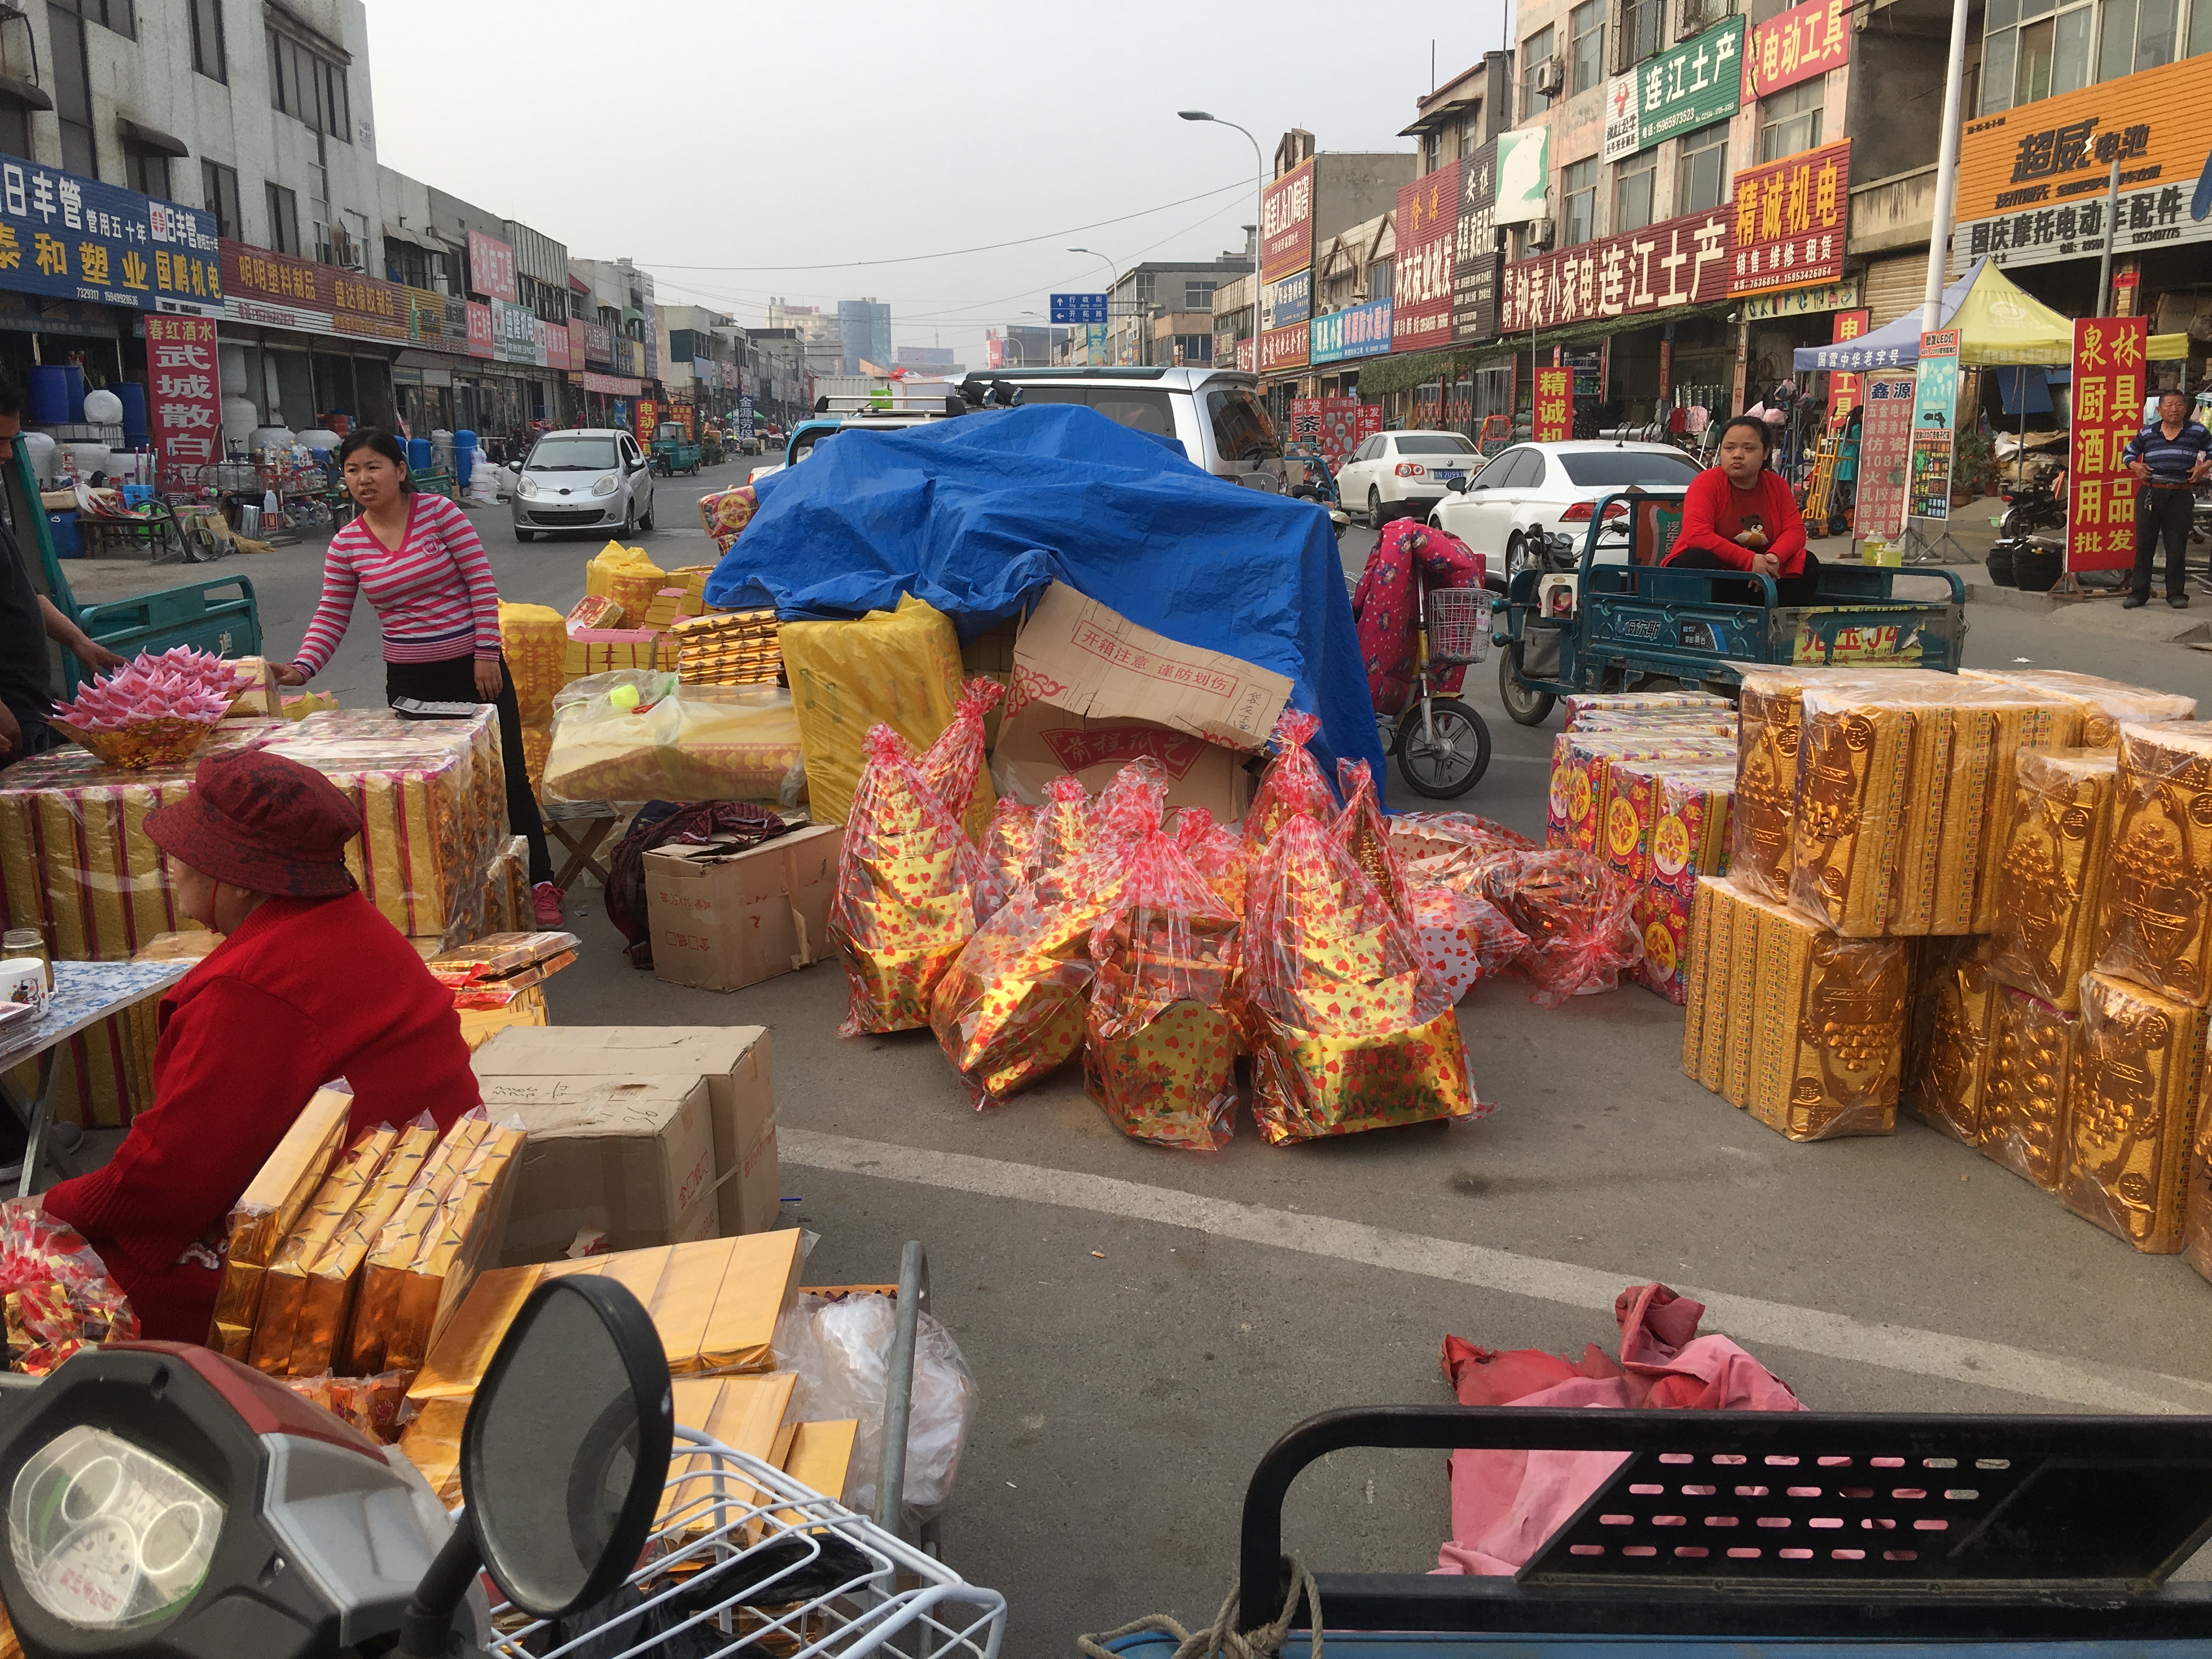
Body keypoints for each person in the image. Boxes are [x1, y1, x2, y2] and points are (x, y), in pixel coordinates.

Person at [39, 749, 482, 1341]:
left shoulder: (252, 989)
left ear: (238, 878)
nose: (173, 864)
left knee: (36, 1269)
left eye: (189, 852)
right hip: (422, 1215)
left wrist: (48, 1207)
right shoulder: (344, 921)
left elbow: (166, 1182)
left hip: (354, 1268)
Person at [272, 428, 561, 923]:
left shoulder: (440, 514)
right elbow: (331, 614)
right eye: (353, 470)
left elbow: (479, 581)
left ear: (400, 471)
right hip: (411, 686)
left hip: (474, 672)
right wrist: (301, 670)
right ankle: (460, 889)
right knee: (436, 787)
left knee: (506, 776)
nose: (364, 479)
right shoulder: (346, 545)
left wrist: (486, 653)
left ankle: (539, 882)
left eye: (374, 466)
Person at [0, 370, 123, 766]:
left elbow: (23, 592)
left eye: (12, 441)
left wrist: (77, 641)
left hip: (31, 708)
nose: (6, 454)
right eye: (0, 441)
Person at [1661, 414, 1822, 606]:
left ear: (1765, 453)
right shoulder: (1707, 482)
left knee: (1807, 562)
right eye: (1729, 448)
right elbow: (1696, 534)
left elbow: (1795, 530)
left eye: (1749, 448)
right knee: (1698, 558)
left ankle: (1778, 625)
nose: (1737, 454)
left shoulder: (1776, 484)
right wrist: (1749, 561)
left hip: (1758, 575)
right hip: (1718, 573)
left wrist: (1772, 559)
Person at [2120, 388, 2212, 611]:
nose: (2174, 409)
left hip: (2181, 494)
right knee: (2144, 544)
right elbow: (2128, 453)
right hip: (2151, 493)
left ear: (2186, 408)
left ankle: (2176, 594)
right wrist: (2136, 466)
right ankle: (2139, 593)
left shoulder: (2197, 431)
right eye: (2169, 405)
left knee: (2177, 545)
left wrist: (2202, 469)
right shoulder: (2148, 432)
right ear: (2159, 410)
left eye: (2179, 404)